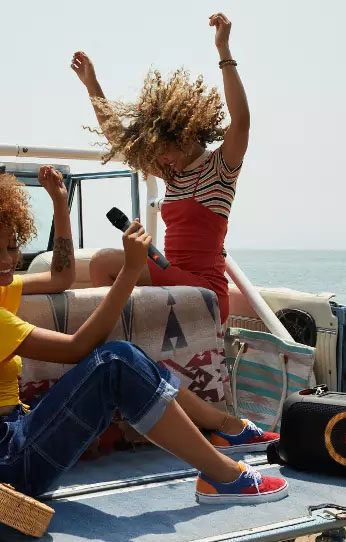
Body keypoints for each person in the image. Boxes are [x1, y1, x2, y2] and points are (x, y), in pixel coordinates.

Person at [0, 165, 288, 503]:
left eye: (12, 247)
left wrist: (60, 203)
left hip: (13, 433)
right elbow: (77, 348)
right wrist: (131, 269)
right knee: (117, 361)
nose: (7, 259)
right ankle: (222, 474)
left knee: (129, 357)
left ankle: (223, 428)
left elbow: (60, 277)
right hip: (2, 461)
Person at [71, 12, 248, 324]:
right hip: (173, 277)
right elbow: (119, 139)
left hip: (204, 291)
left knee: (103, 263)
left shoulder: (221, 167)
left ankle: (104, 338)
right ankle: (114, 339)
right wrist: (92, 85)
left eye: (163, 151)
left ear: (185, 135)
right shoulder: (172, 174)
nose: (161, 161)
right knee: (102, 264)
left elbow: (242, 121)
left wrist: (223, 50)